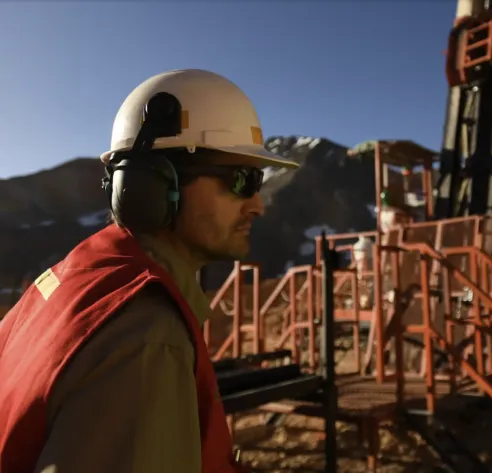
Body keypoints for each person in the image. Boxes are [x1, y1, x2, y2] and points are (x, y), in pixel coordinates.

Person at [0, 69, 299, 473]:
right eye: (241, 180)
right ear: (153, 186)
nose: (258, 205)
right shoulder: (148, 337)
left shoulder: (73, 278)